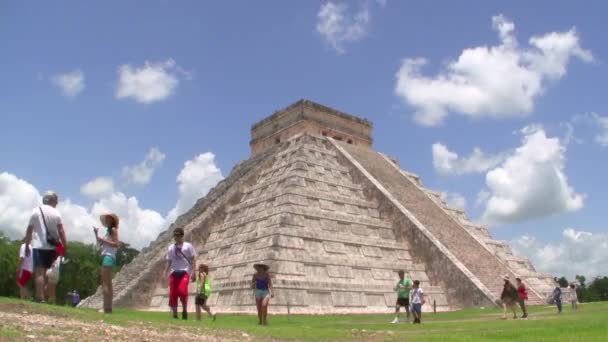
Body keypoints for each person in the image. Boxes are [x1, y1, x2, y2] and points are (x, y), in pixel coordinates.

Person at [24, 191, 68, 304]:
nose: (57, 202)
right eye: (55, 200)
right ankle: (49, 298)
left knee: (39, 272)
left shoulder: (35, 211)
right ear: (49, 200)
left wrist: (27, 245)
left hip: (39, 245)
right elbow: (61, 231)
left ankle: (40, 297)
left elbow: (29, 230)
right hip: (53, 247)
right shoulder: (56, 213)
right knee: (50, 273)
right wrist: (65, 247)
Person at [164, 227, 196, 320]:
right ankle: (175, 314)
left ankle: (185, 310)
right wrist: (165, 271)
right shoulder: (171, 248)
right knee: (173, 294)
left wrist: (194, 271)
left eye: (178, 235)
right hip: (174, 272)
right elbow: (169, 261)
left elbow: (193, 258)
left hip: (185, 271)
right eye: (174, 235)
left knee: (182, 292)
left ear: (182, 235)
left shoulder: (188, 246)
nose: (176, 237)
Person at [94, 213, 120, 314]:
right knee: (108, 283)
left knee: (105, 283)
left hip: (108, 257)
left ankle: (106, 307)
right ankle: (108, 307)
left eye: (109, 219)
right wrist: (96, 235)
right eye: (106, 219)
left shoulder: (113, 230)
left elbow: (116, 244)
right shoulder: (108, 232)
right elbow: (101, 243)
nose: (107, 221)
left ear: (112, 221)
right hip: (108, 256)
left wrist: (103, 240)